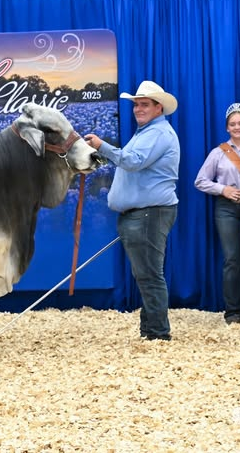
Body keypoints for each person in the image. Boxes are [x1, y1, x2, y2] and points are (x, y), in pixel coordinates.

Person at [84, 80, 179, 341]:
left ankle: (158, 334)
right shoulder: (147, 132)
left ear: (159, 108)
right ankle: (150, 331)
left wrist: (102, 146)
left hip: (150, 212)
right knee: (146, 274)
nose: (138, 109)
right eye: (136, 104)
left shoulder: (157, 134)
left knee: (149, 275)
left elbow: (133, 162)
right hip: (143, 213)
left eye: (144, 104)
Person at [195, 103, 240, 324]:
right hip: (225, 208)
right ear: (227, 128)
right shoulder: (218, 152)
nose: (237, 127)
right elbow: (200, 181)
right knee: (232, 260)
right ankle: (233, 311)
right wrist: (223, 189)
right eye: (233, 124)